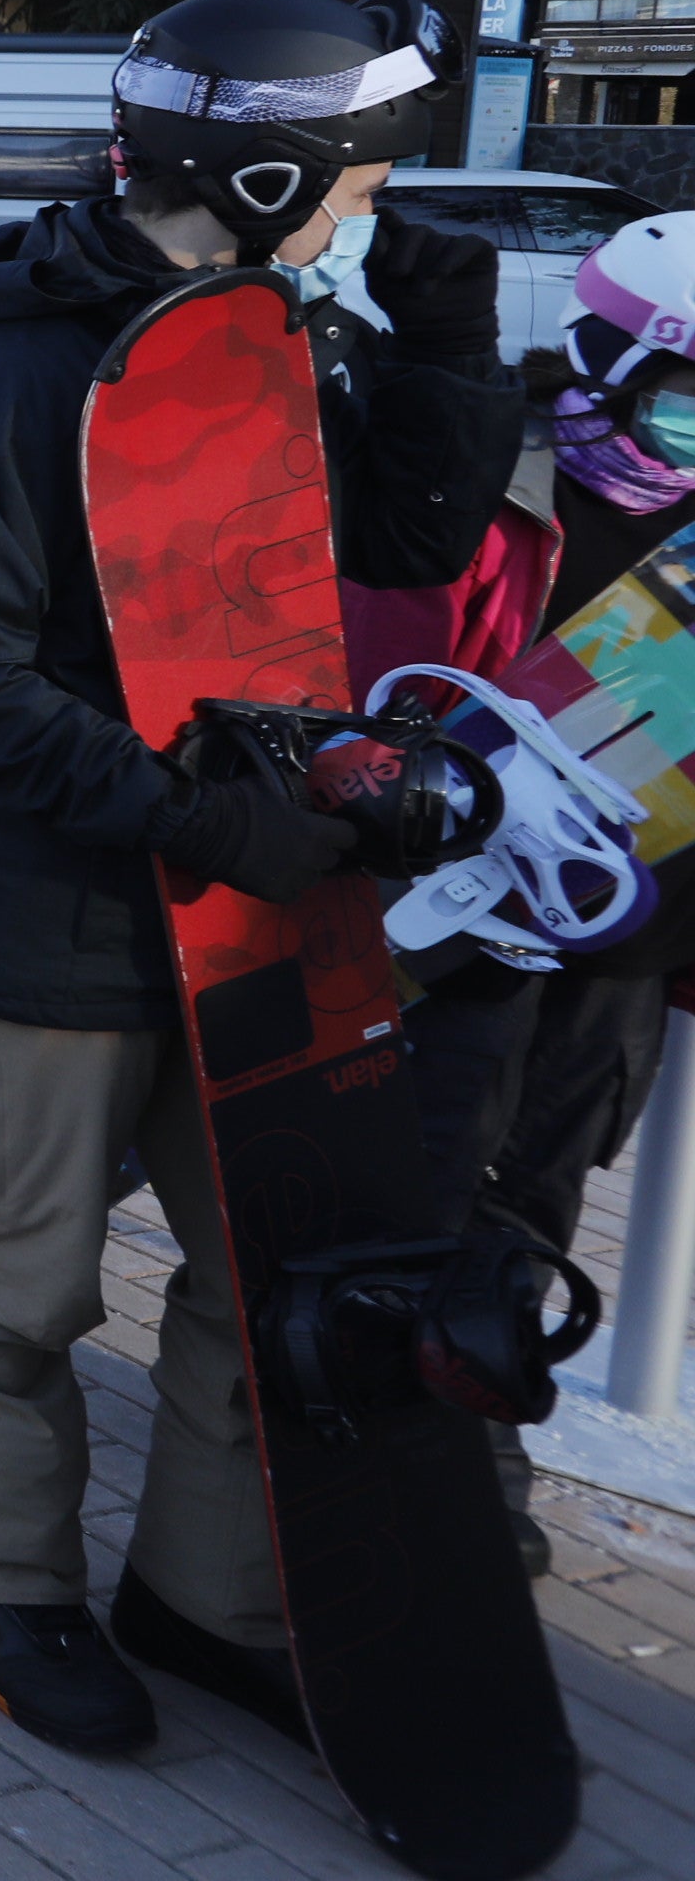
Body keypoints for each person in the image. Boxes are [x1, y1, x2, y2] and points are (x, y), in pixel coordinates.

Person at [0, 0, 514, 1757]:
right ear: (258, 176)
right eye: (355, 175)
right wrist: (183, 809)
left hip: (255, 913)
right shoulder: (1, 376)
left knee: (268, 1279)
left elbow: (400, 542)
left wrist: (445, 356)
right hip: (52, 912)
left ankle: (209, 1593)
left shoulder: (276, 340)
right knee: (14, 1273)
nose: (369, 204)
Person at [376, 212, 695, 1577]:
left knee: (535, 1198)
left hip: (625, 942)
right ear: (603, 364)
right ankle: (367, 1426)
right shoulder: (491, 482)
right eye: (683, 402)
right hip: (455, 927)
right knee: (420, 1179)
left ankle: (479, 1440)